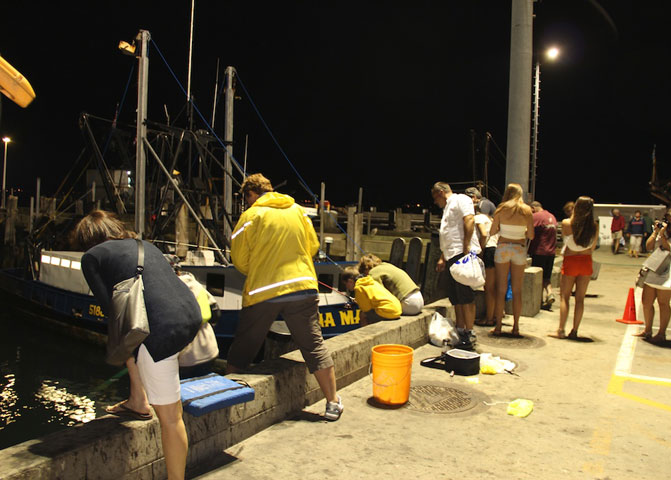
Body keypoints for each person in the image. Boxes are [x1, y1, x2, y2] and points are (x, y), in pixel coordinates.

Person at [72, 210, 202, 480]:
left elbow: (115, 313)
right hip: (191, 315)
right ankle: (138, 400)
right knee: (140, 350)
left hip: (160, 330)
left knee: (171, 418)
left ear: (86, 238)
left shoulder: (92, 258)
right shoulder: (144, 244)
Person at [226, 173, 343, 421]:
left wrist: (261, 267)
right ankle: (332, 402)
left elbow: (239, 261)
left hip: (264, 290)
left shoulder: (250, 216)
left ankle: (227, 406)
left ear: (250, 194)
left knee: (243, 347)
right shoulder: (299, 211)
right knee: (313, 345)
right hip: (302, 286)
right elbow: (312, 248)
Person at [432, 181, 481, 350]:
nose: (435, 202)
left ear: (439, 192)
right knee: (456, 296)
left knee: (466, 294)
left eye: (434, 197)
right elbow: (448, 235)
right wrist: (443, 258)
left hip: (462, 253)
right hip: (451, 255)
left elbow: (469, 219)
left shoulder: (461, 199)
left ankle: (470, 331)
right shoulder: (447, 208)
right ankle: (461, 329)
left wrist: (466, 246)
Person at [635, 208, 671, 344]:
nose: (668, 219)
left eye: (670, 217)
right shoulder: (662, 231)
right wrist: (655, 233)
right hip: (655, 266)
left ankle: (661, 333)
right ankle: (647, 330)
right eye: (667, 216)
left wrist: (663, 235)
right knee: (646, 301)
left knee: (663, 303)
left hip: (668, 270)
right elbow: (648, 246)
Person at [549, 196, 599, 340]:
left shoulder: (567, 223)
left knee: (565, 297)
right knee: (580, 299)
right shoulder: (594, 226)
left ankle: (561, 330)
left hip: (571, 260)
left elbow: (565, 239)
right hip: (586, 261)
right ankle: (575, 330)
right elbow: (593, 247)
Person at [489, 183, 534, 337]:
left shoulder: (501, 208)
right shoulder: (527, 210)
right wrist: (521, 230)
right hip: (519, 248)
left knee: (500, 289)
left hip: (502, 248)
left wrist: (504, 228)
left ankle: (499, 327)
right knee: (517, 290)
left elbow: (492, 230)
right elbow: (531, 236)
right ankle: (515, 327)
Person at [357, 253, 424, 315]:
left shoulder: (373, 272)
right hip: (420, 300)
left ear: (365, 268)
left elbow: (377, 296)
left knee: (367, 314)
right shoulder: (387, 265)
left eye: (364, 273)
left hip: (409, 304)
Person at [472, 200, 499, 326]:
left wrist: (481, 250)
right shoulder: (490, 220)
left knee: (488, 287)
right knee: (494, 287)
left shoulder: (478, 218)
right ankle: (494, 315)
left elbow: (483, 234)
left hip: (488, 250)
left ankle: (488, 319)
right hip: (497, 250)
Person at [529, 201, 558, 309]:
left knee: (538, 277)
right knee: (546, 276)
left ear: (533, 208)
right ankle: (550, 293)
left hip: (539, 251)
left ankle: (539, 301)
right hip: (551, 252)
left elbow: (528, 230)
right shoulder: (551, 216)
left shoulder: (537, 216)